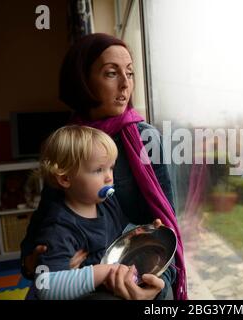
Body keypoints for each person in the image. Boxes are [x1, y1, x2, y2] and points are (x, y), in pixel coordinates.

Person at [21, 33, 187, 300]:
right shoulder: (68, 144)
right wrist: (33, 262)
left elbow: (164, 229)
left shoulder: (145, 140)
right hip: (73, 279)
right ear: (83, 81)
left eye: (130, 73)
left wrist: (158, 288)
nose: (125, 84)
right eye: (111, 73)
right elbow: (41, 229)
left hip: (135, 278)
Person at [32, 125, 152, 300]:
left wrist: (143, 232)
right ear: (66, 178)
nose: (109, 177)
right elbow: (44, 287)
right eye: (98, 170)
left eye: (110, 168)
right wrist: (103, 272)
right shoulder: (58, 227)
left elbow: (123, 230)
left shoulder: (107, 203)